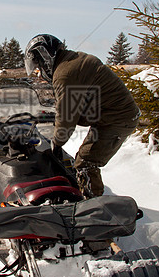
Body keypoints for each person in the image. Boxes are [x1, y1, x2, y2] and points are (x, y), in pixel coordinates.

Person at [24, 34, 139, 198]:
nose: (40, 73)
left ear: (45, 58)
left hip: (117, 119)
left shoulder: (64, 74)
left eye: (39, 67)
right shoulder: (71, 61)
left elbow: (66, 116)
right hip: (110, 115)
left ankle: (94, 206)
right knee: (83, 159)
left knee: (85, 162)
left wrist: (56, 144)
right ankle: (87, 198)